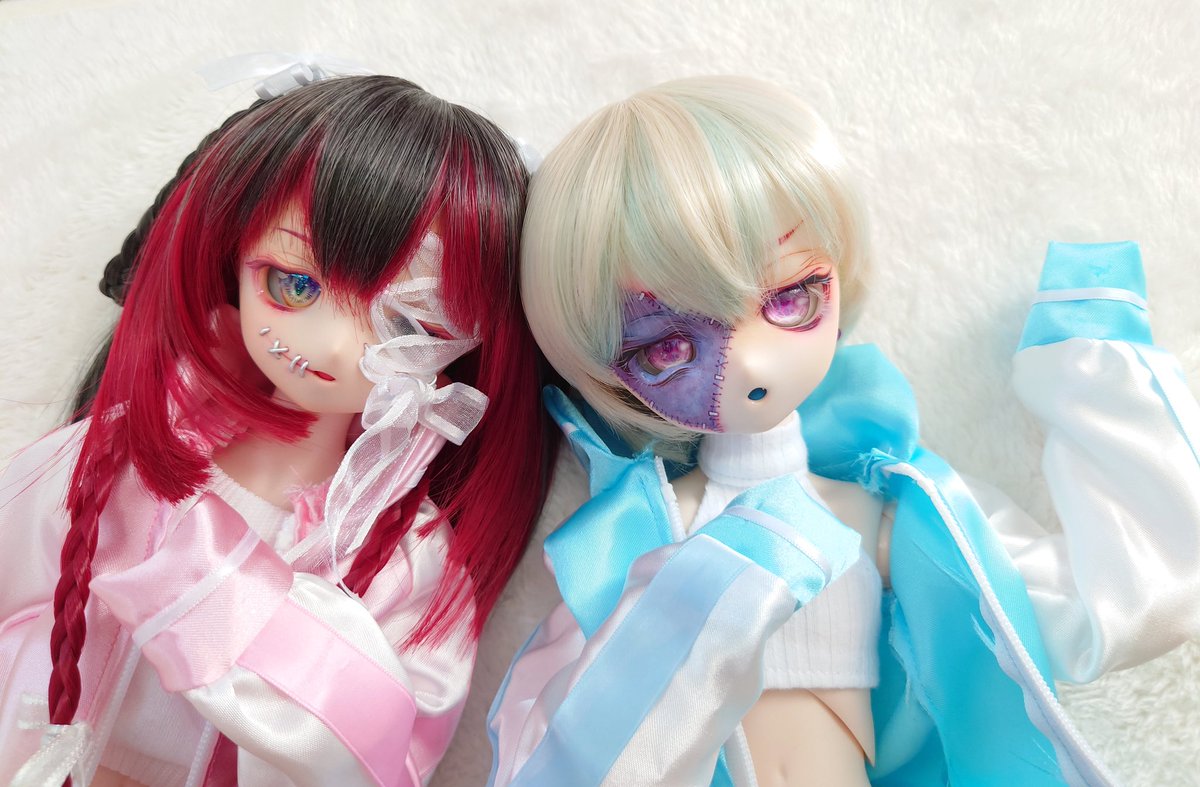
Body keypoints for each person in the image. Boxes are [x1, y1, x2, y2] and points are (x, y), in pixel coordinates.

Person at [487, 75, 1200, 785]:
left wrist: (1096, 365)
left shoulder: (877, 513)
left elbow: (1103, 600)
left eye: (790, 297)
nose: (753, 362)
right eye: (666, 348)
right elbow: (566, 743)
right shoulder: (644, 536)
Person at [0, 72, 554, 786]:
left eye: (407, 325)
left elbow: (380, 756)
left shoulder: (402, 559)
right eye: (294, 284)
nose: (331, 344)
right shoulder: (121, 455)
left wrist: (219, 595)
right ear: (232, 250)